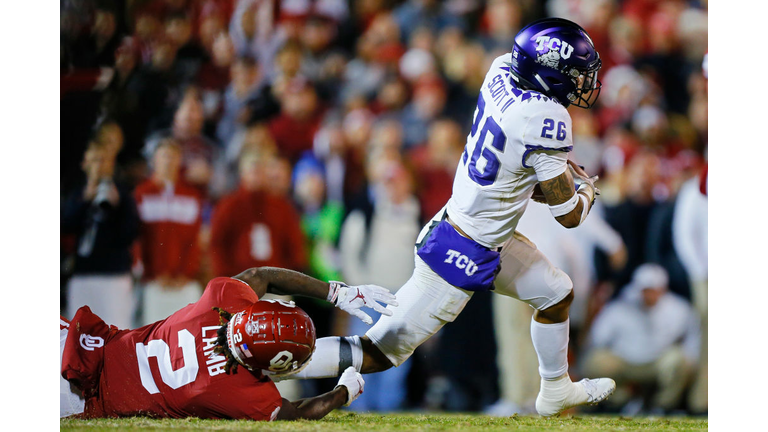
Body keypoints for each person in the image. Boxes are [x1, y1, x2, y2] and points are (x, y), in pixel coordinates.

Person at [284, 18, 616, 417]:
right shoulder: (547, 120)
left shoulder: (501, 69)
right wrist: (586, 191)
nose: (582, 82)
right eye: (575, 73)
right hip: (462, 248)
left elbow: (518, 173)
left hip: (477, 227)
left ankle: (556, 390)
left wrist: (555, 181)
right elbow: (570, 216)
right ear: (549, 73)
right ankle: (266, 365)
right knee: (378, 352)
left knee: (555, 292)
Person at [60, 266, 398, 420]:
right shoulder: (239, 392)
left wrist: (334, 292)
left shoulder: (219, 302)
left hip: (79, 340)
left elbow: (261, 276)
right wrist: (344, 392)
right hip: (76, 394)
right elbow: (297, 413)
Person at [580, 264, 700, 414]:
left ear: (663, 289)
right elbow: (597, 339)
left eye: (654, 289)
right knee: (594, 362)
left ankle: (662, 406)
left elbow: (692, 342)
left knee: (679, 360)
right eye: (646, 290)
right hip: (624, 361)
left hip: (659, 361)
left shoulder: (679, 309)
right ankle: (621, 401)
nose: (649, 295)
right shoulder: (620, 307)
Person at [61, 140, 140, 329]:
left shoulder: (122, 194)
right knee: (80, 331)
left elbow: (130, 233)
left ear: (111, 164)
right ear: (84, 164)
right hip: (83, 273)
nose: (99, 166)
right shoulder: (77, 193)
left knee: (117, 329)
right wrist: (84, 201)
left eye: (103, 161)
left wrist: (118, 208)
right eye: (94, 160)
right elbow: (64, 227)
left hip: (115, 275)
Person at [133, 138, 205, 325]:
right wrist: (152, 273)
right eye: (164, 156)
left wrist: (185, 273)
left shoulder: (191, 196)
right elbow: (138, 239)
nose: (168, 161)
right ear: (154, 160)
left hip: (183, 282)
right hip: (153, 282)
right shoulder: (142, 194)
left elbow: (193, 240)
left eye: (173, 156)